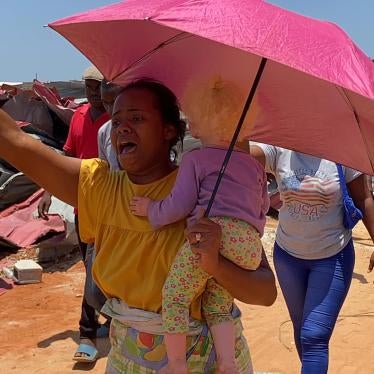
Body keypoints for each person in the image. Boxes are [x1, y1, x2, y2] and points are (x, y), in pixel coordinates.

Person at [0, 78, 277, 374]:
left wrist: (216, 264)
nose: (122, 128)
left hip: (212, 363)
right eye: (116, 121)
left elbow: (265, 293)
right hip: (127, 360)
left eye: (137, 118)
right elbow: (16, 143)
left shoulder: (208, 189)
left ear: (169, 130)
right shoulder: (100, 188)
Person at [130, 77, 268, 374]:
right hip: (249, 244)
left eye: (192, 118)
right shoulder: (255, 164)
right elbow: (263, 208)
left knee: (176, 297)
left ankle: (177, 364)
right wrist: (249, 236)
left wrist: (150, 209)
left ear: (201, 121)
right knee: (218, 305)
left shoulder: (196, 158)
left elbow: (178, 205)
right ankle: (228, 363)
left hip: (209, 236)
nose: (189, 125)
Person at [250, 144, 374, 374]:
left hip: (332, 256)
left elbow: (363, 198)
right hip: (288, 257)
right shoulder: (279, 145)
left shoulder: (342, 146)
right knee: (302, 331)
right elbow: (245, 154)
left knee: (314, 336)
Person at [37, 65, 110, 363]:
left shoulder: (116, 120)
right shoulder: (79, 117)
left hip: (111, 210)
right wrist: (48, 190)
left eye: (99, 87)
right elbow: (67, 157)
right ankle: (107, 322)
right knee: (93, 270)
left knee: (100, 270)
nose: (94, 93)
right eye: (90, 87)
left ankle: (87, 333)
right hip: (85, 209)